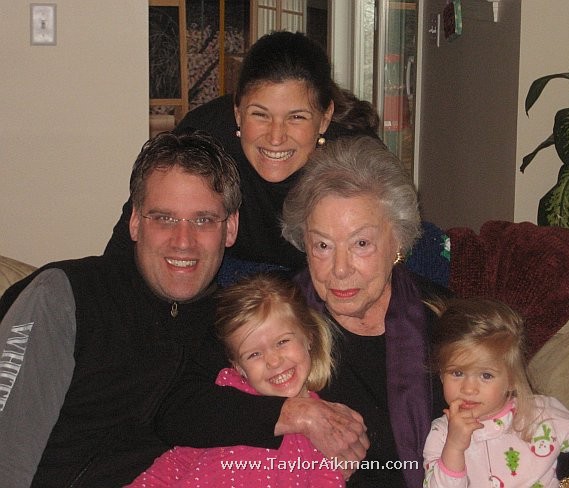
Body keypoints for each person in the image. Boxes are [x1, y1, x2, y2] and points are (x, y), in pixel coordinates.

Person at [0, 131, 368, 487]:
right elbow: (7, 452)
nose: (183, 241)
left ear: (230, 228)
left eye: (204, 220)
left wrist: (313, 422)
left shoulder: (232, 325)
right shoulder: (63, 296)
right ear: (134, 221)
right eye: (164, 218)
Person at [105, 30, 379, 270]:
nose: (275, 137)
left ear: (325, 118)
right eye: (260, 115)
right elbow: (131, 241)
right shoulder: (204, 138)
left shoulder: (358, 161)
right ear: (237, 112)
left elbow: (386, 261)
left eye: (296, 117)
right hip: (222, 279)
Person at [280, 135, 452, 488]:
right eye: (323, 245)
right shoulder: (275, 321)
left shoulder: (445, 320)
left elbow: (517, 419)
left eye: (361, 243)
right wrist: (289, 413)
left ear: (398, 241)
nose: (340, 269)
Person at [127, 273, 345, 487]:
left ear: (309, 336)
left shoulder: (329, 423)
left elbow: (329, 478)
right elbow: (178, 461)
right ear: (239, 367)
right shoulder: (226, 400)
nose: (273, 361)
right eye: (254, 354)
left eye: (282, 342)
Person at [422, 297, 569, 488]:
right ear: (441, 375)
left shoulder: (540, 412)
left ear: (512, 380)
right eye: (457, 373)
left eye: (486, 375)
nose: (468, 388)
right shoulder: (442, 433)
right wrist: (454, 447)